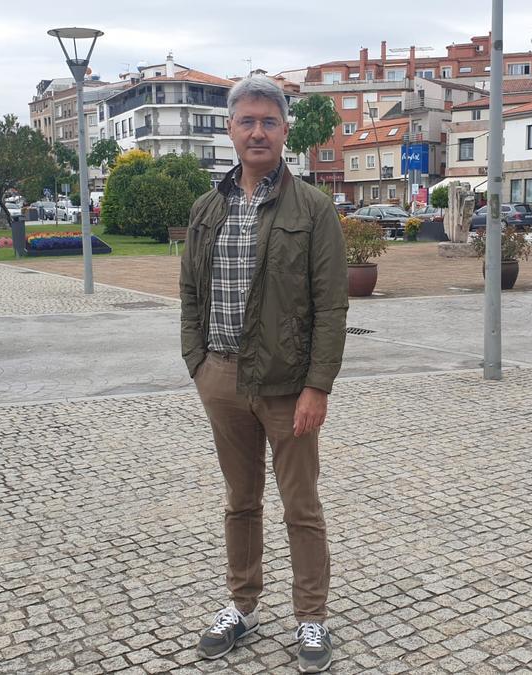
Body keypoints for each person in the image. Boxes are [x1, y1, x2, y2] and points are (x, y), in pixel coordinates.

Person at [179, 75, 348, 673]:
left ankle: (311, 618)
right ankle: (243, 606)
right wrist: (197, 364)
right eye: (246, 121)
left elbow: (331, 306)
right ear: (230, 129)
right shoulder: (207, 209)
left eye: (268, 122)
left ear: (284, 132)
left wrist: (317, 386)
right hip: (221, 378)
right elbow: (191, 294)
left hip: (287, 387)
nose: (257, 131)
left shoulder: (313, 208)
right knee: (240, 501)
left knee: (301, 505)